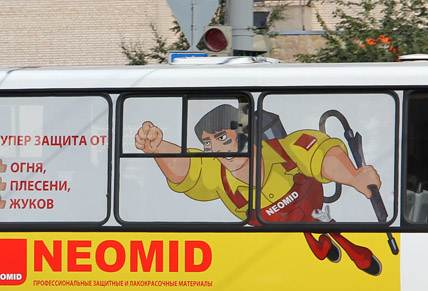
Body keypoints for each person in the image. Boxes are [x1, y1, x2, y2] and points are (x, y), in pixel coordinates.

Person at [134, 105, 385, 275]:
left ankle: (337, 246)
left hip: (311, 205)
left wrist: (353, 177)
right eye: (209, 144)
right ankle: (317, 241)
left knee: (320, 221)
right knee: (312, 228)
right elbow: (188, 170)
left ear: (246, 135)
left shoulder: (285, 149)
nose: (218, 151)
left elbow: (321, 153)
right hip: (282, 224)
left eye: (223, 139)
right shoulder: (217, 176)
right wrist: (158, 148)